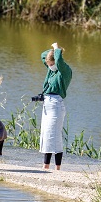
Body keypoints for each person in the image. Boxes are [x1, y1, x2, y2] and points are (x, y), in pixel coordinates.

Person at [39, 42, 72, 170]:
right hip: (47, 104)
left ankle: (57, 167)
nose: (50, 66)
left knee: (54, 135)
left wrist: (57, 49)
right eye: (48, 64)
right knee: (46, 134)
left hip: (56, 104)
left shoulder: (64, 70)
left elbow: (58, 60)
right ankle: (45, 165)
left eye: (52, 64)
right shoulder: (51, 70)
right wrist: (52, 50)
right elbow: (43, 55)